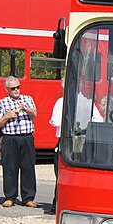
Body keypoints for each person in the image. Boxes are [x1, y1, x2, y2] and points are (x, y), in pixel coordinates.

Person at [0, 76, 38, 208]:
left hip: (26, 137)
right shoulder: (2, 103)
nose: (16, 90)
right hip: (10, 138)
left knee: (28, 167)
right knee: (10, 168)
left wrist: (25, 108)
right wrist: (7, 116)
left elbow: (34, 113)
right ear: (7, 89)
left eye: (18, 87)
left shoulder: (27, 99)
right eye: (13, 88)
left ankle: (28, 198)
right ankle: (10, 197)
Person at [48, 78, 64, 214]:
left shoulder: (61, 102)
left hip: (64, 141)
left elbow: (55, 121)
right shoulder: (86, 101)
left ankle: (56, 205)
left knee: (59, 172)